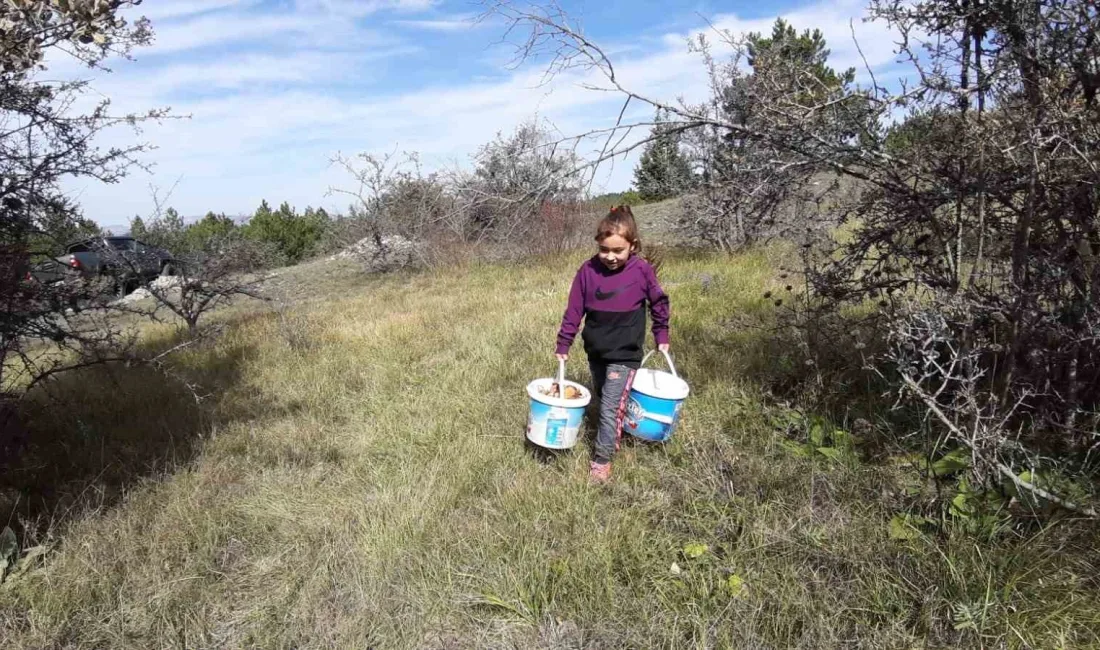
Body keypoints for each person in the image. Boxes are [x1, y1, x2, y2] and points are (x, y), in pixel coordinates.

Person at [555, 205, 670, 484]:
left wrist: (661, 335)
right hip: (595, 350)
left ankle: (602, 461)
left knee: (608, 406)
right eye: (604, 249)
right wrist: (564, 343)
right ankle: (628, 423)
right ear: (598, 244)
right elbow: (574, 310)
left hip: (625, 353)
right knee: (605, 396)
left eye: (618, 250)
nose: (610, 257)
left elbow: (659, 303)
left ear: (633, 245)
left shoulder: (641, 270)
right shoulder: (587, 271)